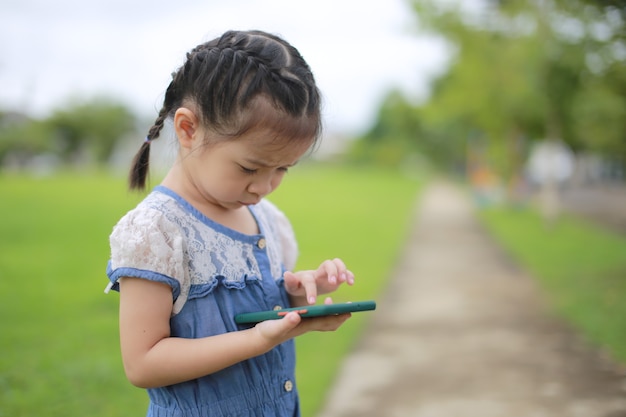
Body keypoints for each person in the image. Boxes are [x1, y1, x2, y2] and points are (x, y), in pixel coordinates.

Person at [104, 30, 355, 416]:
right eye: (250, 167)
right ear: (188, 129)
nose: (266, 186)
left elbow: (260, 307)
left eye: (283, 168)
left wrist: (301, 295)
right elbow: (144, 363)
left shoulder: (267, 220)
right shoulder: (157, 232)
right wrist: (256, 341)